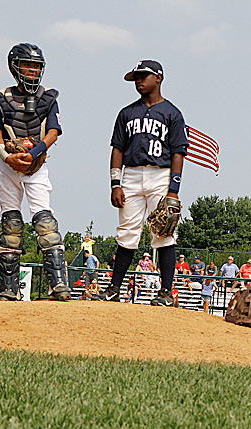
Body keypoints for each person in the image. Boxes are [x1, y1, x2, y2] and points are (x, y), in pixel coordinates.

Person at [99, 60, 189, 307]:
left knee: (164, 233)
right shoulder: (126, 113)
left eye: (143, 76)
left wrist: (173, 190)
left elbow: (178, 153)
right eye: (136, 77)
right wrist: (115, 184)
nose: (138, 81)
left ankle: (166, 291)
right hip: (131, 175)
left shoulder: (172, 113)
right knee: (127, 232)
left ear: (158, 78)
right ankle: (114, 289)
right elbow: (117, 149)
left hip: (161, 175)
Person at [0, 43, 71, 301]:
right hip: (7, 166)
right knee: (11, 224)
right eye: (27, 65)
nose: (32, 71)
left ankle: (57, 285)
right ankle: (9, 288)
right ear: (15, 67)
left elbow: (53, 132)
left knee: (45, 223)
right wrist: (7, 156)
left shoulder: (49, 97)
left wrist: (34, 153)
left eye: (36, 66)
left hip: (36, 166)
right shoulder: (2, 97)